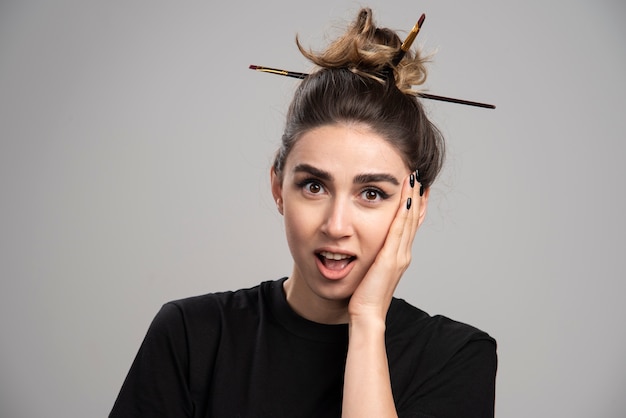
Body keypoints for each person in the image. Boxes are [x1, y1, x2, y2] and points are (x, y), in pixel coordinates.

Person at [110, 8, 497, 418]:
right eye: (314, 186)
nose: (336, 226)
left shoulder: (456, 357)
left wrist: (367, 321)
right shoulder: (191, 334)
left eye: (371, 193)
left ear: (415, 206)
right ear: (278, 188)